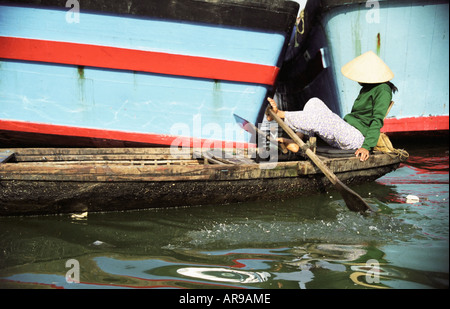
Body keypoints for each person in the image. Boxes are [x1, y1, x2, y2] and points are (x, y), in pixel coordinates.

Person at [267, 50, 398, 162]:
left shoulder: (383, 90)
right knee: (314, 102)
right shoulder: (368, 88)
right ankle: (297, 141)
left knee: (322, 119)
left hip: (357, 138)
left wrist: (366, 147)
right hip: (348, 129)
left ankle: (281, 114)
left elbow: (377, 120)